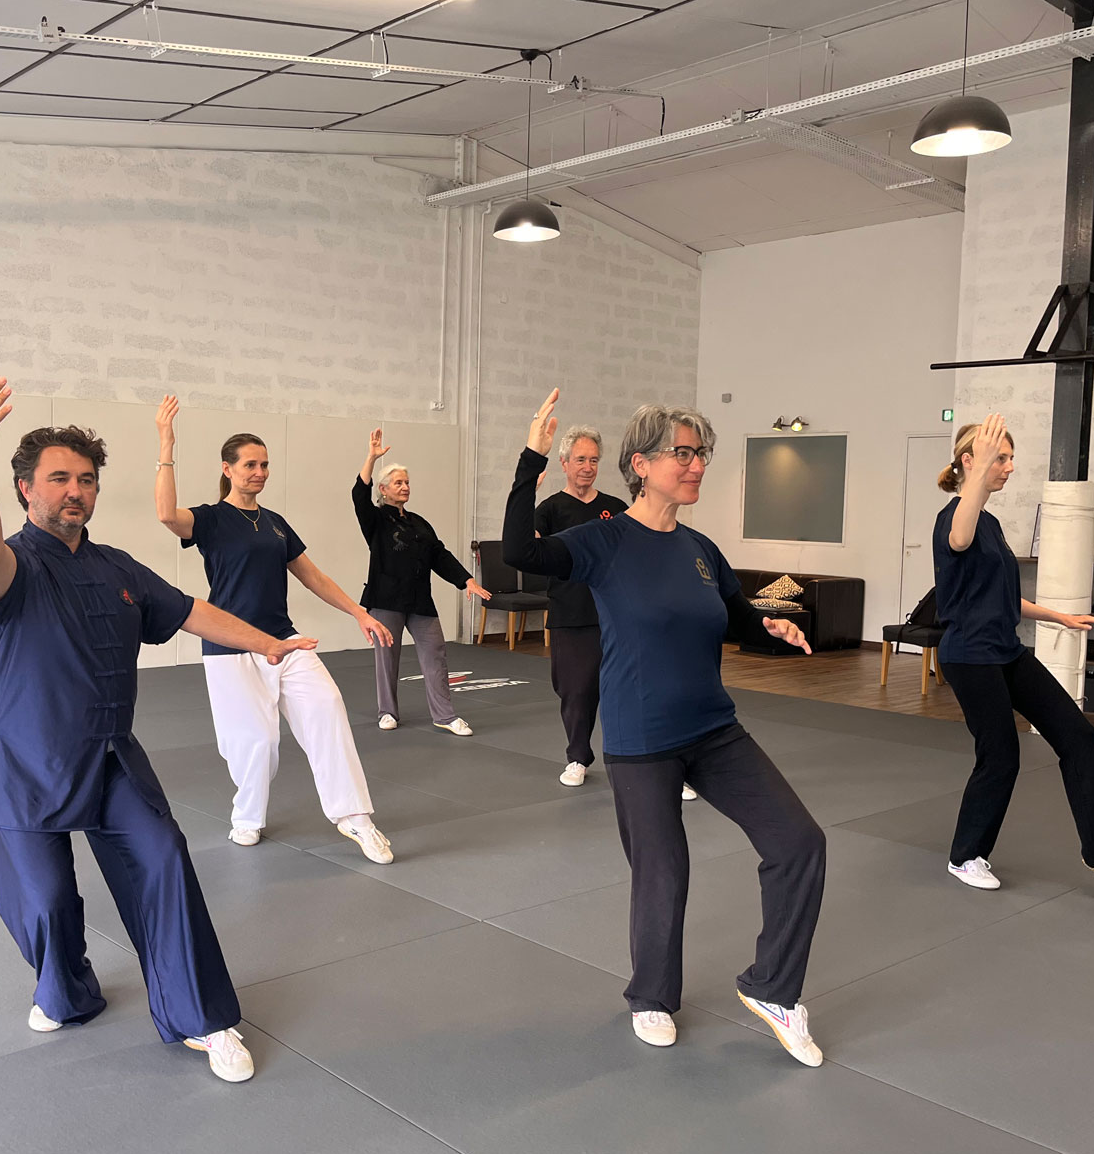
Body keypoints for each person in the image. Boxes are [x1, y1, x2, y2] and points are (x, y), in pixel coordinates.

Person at [0, 372, 298, 1084]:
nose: (74, 490)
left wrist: (265, 641)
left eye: (85, 479)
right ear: (27, 488)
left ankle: (201, 1017)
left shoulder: (118, 567)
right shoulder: (15, 566)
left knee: (164, 858)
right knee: (45, 902)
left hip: (109, 754)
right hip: (23, 756)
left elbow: (190, 611)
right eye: (58, 478)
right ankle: (66, 989)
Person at [504, 389, 827, 1066]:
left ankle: (772, 988)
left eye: (700, 453)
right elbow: (517, 553)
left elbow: (733, 616)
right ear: (640, 464)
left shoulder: (700, 548)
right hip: (640, 740)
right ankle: (651, 995)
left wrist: (767, 626)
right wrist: (532, 457)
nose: (696, 465)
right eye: (682, 453)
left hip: (713, 730)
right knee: (663, 870)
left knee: (798, 842)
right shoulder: (602, 540)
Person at [154, 396, 396, 863]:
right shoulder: (210, 519)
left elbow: (314, 576)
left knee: (327, 706)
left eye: (264, 464)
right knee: (257, 743)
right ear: (228, 469)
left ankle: (355, 818)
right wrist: (166, 444)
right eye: (249, 464)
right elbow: (167, 515)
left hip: (286, 640)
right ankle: (247, 817)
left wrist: (358, 612)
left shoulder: (275, 523)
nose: (259, 472)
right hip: (230, 646)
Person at [934, 415, 1094, 905]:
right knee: (1002, 754)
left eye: (1010, 458)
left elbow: (1002, 600)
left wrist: (1061, 617)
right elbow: (959, 540)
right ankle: (965, 855)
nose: (1010, 467)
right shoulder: (957, 518)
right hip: (969, 656)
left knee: (1078, 735)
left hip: (1005, 650)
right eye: (1001, 458)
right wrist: (979, 469)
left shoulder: (990, 523)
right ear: (970, 462)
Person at [354, 428, 490, 736]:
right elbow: (358, 495)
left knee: (436, 653)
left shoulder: (419, 523)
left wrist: (466, 580)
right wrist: (372, 458)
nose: (404, 487)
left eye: (407, 482)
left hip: (419, 601)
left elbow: (439, 555)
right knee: (387, 658)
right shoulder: (375, 521)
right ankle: (387, 711)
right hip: (385, 599)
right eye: (398, 483)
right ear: (384, 489)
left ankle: (444, 714)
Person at [533, 425, 629, 787]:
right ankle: (578, 757)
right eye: (580, 460)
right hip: (571, 613)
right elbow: (528, 548)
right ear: (564, 463)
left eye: (593, 460)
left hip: (616, 613)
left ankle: (648, 762)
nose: (587, 467)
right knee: (576, 690)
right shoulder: (550, 509)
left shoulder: (616, 509)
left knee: (630, 689)